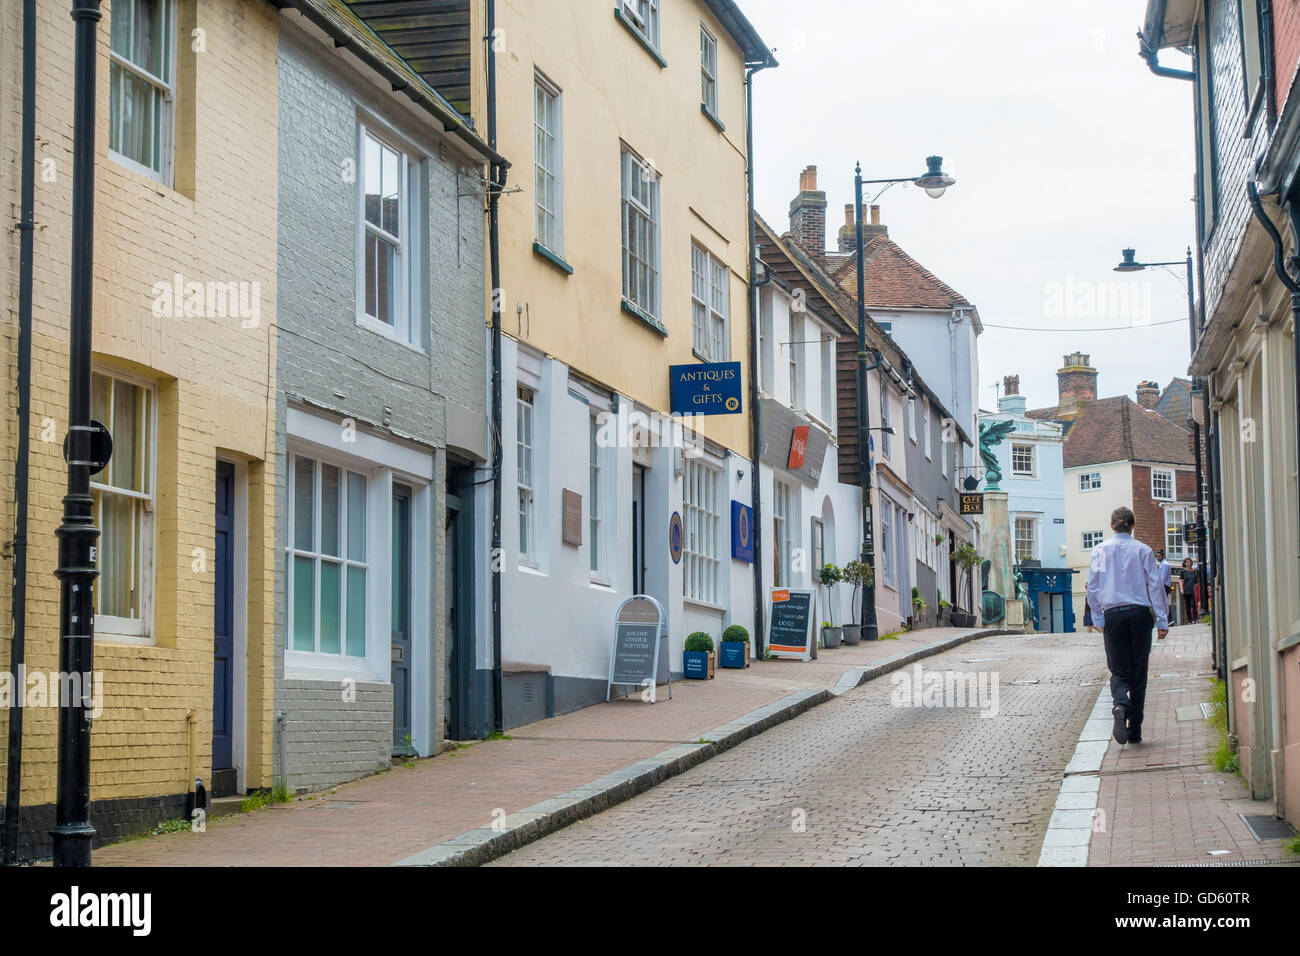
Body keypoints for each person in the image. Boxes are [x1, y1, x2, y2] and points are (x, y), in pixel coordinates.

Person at [1086, 507, 1170, 745]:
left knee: (1119, 669)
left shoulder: (1100, 550)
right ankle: (1134, 731)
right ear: (1133, 526)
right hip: (1140, 614)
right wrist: (1162, 621)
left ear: (1112, 526)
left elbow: (1093, 587)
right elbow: (1155, 586)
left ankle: (1120, 702)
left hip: (1113, 615)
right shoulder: (1143, 550)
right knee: (1139, 672)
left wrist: (1098, 619)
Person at [1179, 557, 1199, 622]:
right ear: (1184, 563)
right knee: (1188, 605)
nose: (1189, 563)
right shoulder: (1183, 571)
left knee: (1194, 604)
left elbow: (1197, 580)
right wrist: (1181, 589)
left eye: (1190, 561)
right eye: (1187, 561)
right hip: (1186, 590)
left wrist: (1196, 573)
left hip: (1194, 590)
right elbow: (1181, 581)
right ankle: (1189, 619)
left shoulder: (1194, 570)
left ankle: (1195, 618)